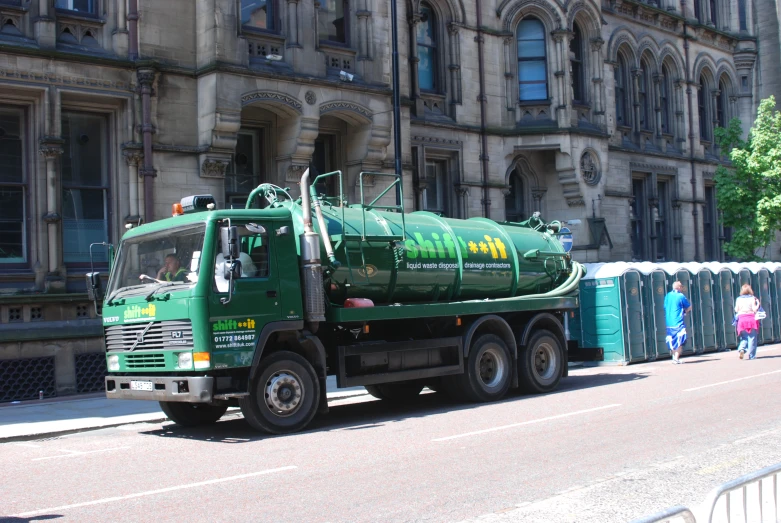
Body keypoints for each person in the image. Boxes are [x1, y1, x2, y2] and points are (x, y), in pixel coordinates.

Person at [664, 281, 692, 364]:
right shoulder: (680, 296)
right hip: (678, 322)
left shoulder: (668, 295)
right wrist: (686, 311)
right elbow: (688, 307)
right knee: (680, 340)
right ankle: (676, 358)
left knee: (672, 340)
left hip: (669, 322)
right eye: (682, 287)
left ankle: (674, 357)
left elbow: (665, 306)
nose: (682, 288)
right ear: (679, 287)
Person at [734, 284, 760, 360]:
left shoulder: (738, 299)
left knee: (744, 337)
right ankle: (752, 356)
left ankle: (741, 349)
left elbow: (736, 309)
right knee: (752, 338)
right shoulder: (752, 298)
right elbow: (754, 309)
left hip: (742, 320)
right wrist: (758, 303)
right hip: (751, 319)